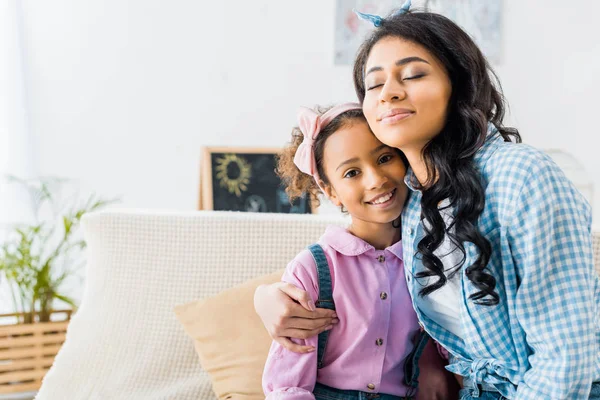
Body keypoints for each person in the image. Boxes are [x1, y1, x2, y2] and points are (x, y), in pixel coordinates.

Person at [255, 2, 600, 399]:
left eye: (414, 74)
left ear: (459, 84)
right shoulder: (415, 200)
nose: (390, 94)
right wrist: (265, 298)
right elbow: (358, 267)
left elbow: (566, 357)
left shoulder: (521, 177)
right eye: (374, 84)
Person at [263, 103, 455, 399]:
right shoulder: (311, 269)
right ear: (331, 192)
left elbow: (457, 343)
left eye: (384, 157)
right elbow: (287, 384)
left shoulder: (432, 258)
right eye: (352, 172)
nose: (376, 179)